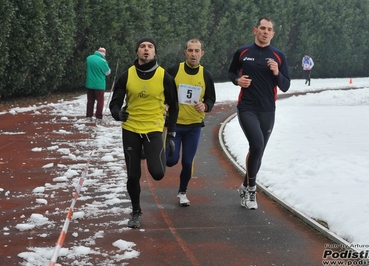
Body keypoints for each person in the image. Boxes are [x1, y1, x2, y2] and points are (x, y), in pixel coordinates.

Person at [109, 37, 179, 228]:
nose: (146, 50)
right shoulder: (126, 76)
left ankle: (150, 151)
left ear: (155, 52)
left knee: (157, 173)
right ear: (137, 52)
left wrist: (171, 134)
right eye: (142, 47)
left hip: (154, 128)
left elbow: (174, 106)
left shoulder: (165, 77)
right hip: (131, 128)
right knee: (133, 175)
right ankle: (136, 211)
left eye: (150, 47)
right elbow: (114, 103)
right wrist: (118, 113)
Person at [228, 17, 290, 210]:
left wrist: (276, 72)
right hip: (247, 107)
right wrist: (238, 81)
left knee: (258, 151)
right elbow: (231, 73)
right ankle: (252, 191)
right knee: (256, 144)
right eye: (262, 28)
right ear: (255, 30)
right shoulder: (243, 52)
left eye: (269, 29)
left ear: (273, 33)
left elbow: (285, 85)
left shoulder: (278, 56)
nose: (265, 31)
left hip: (267, 110)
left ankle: (245, 185)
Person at [166, 39, 216, 207]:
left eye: (197, 51)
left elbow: (211, 98)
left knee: (187, 162)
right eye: (190, 50)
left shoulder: (206, 75)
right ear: (185, 52)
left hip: (194, 126)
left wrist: (205, 105)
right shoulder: (174, 71)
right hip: (175, 125)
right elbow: (161, 89)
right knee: (170, 160)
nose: (193, 54)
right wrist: (165, 104)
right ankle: (160, 151)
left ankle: (182, 192)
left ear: (202, 54)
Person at [85, 47, 111, 123]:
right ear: (103, 53)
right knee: (100, 101)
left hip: (89, 83)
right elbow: (107, 72)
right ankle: (99, 117)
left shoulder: (89, 58)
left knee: (90, 100)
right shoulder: (103, 61)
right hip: (99, 84)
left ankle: (89, 116)